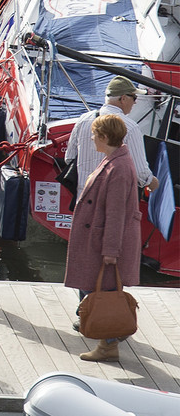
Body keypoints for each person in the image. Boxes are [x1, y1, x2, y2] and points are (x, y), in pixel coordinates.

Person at [64, 109, 143, 365]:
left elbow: (116, 213)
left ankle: (109, 343)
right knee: (95, 288)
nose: (92, 139)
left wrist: (111, 250)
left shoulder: (118, 168)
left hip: (103, 242)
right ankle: (106, 338)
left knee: (103, 292)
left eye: (95, 135)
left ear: (105, 137)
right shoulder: (114, 160)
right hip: (97, 238)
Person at [64, 73, 155, 194]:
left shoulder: (83, 120)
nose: (135, 102)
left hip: (83, 196)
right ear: (123, 98)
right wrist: (152, 182)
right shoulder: (131, 127)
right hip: (112, 197)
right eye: (134, 98)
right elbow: (140, 172)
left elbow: (69, 158)